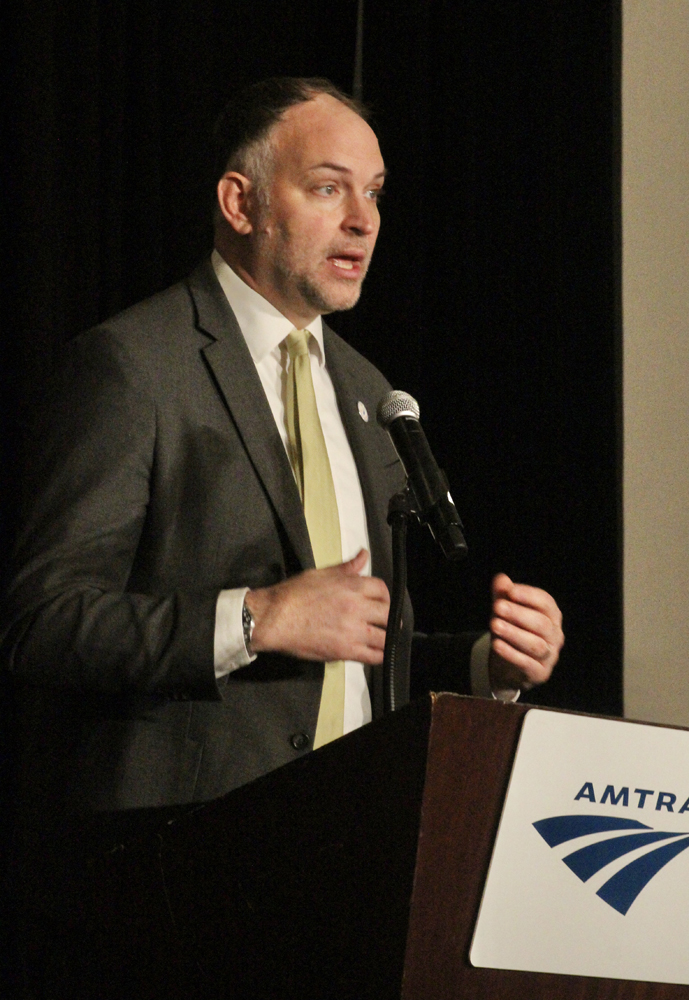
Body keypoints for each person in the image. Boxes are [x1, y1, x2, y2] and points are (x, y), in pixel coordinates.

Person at [1, 77, 563, 889]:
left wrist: (487, 667)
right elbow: (44, 622)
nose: (363, 220)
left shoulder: (370, 393)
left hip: (354, 841)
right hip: (180, 853)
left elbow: (366, 652)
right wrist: (256, 619)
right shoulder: (134, 366)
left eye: (371, 193)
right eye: (327, 188)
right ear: (241, 202)